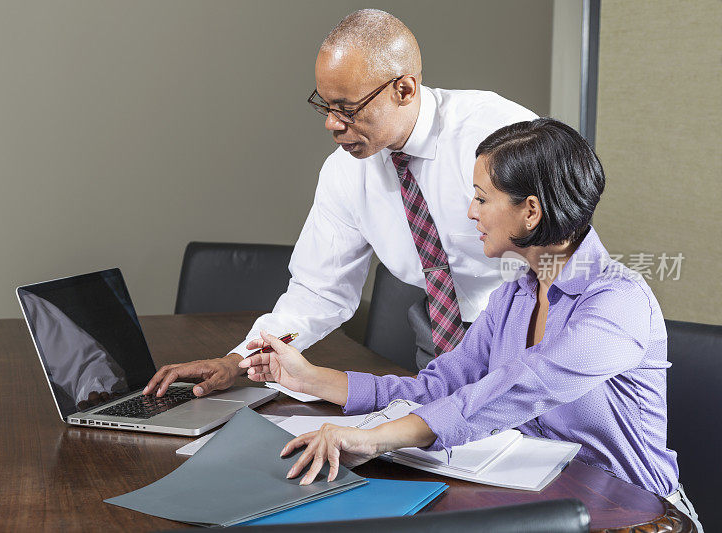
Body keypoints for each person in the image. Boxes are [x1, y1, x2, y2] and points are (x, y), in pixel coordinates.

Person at [239, 118, 703, 532]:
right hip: (543, 501)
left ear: (532, 211)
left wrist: (374, 439)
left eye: (482, 198)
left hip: (637, 516)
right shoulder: (515, 294)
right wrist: (309, 378)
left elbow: (516, 388)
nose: (470, 212)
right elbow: (442, 386)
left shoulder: (617, 302)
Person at [143, 9, 536, 398]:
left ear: (405, 89)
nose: (331, 124)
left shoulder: (498, 134)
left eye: (347, 109)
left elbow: (569, 249)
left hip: (529, 329)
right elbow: (319, 291)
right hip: (438, 337)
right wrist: (238, 362)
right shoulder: (346, 172)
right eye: (325, 106)